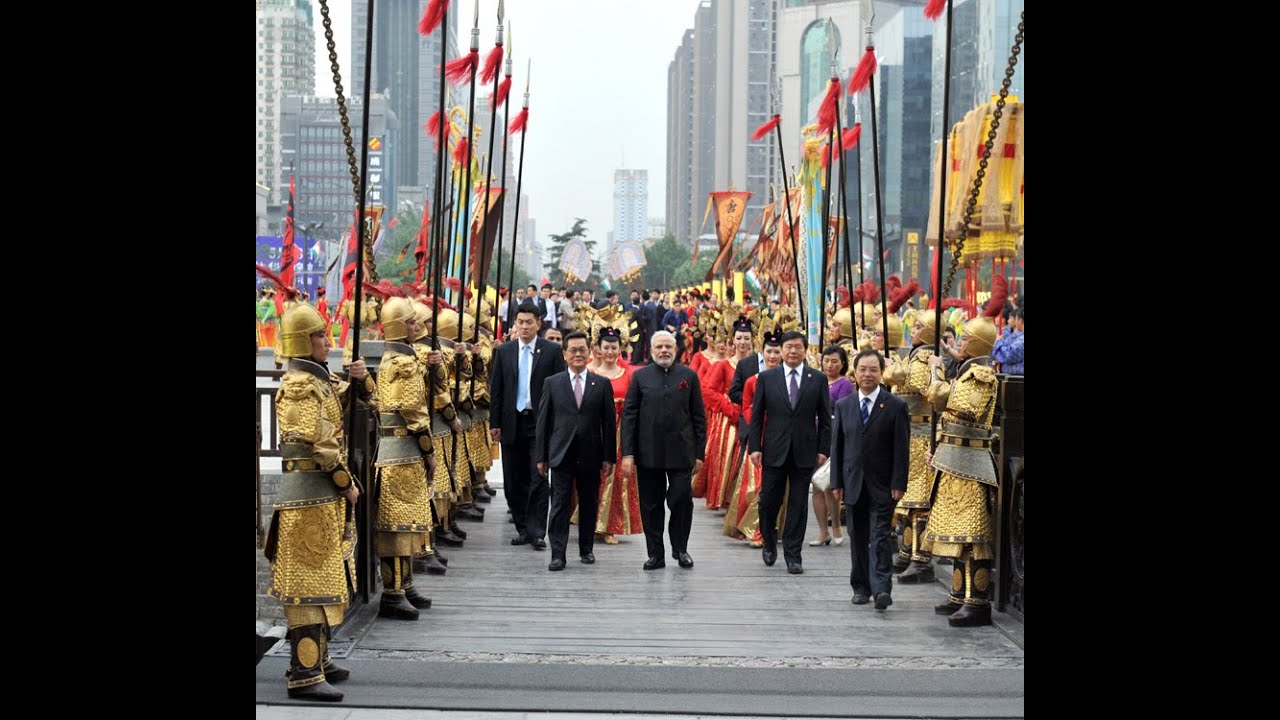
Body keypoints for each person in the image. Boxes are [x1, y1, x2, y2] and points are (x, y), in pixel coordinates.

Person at [266, 303, 374, 702]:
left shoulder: (319, 380)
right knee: (308, 583)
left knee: (327, 576)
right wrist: (343, 481)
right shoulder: (298, 385)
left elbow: (356, 399)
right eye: (319, 336)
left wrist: (361, 379)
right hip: (307, 498)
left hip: (320, 498)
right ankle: (305, 672)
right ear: (301, 340)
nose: (327, 342)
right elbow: (313, 441)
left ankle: (320, 659)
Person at [923, 314, 1001, 627]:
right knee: (957, 532)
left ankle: (977, 600)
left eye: (966, 338)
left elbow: (957, 405)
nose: (960, 342)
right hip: (954, 458)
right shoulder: (966, 371)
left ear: (979, 343)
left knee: (973, 535)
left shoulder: (981, 375)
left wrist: (937, 373)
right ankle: (958, 592)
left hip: (971, 465)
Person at [371, 295, 437, 620]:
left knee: (408, 524)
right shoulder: (402, 364)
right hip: (401, 455)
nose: (418, 327)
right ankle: (393, 592)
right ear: (399, 328)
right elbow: (415, 414)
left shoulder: (395, 360)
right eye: (412, 322)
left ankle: (405, 583)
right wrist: (429, 451)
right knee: (396, 527)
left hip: (399, 454)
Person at [830, 349, 910, 611]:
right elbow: (838, 447)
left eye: (873, 369)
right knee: (858, 535)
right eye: (863, 369)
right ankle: (861, 586)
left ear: (881, 372)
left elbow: (901, 448)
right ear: (854, 372)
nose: (867, 374)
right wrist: (836, 482)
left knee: (880, 536)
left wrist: (899, 482)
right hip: (853, 483)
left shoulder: (896, 406)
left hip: (883, 484)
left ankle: (881, 588)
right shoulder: (845, 406)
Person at [620, 331, 706, 570]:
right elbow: (629, 417)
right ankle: (656, 554)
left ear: (676, 350)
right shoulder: (640, 377)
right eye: (659, 347)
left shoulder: (688, 376)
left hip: (681, 452)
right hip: (648, 453)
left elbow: (699, 416)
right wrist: (628, 453)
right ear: (651, 350)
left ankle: (680, 548)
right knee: (651, 504)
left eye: (668, 346)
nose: (664, 351)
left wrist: (700, 453)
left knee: (681, 499)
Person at [747, 331, 832, 575]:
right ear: (781, 350)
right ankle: (769, 541)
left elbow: (825, 418)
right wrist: (755, 447)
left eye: (798, 347)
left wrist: (823, 450)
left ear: (805, 350)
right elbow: (756, 418)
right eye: (789, 347)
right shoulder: (767, 378)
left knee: (798, 504)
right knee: (768, 501)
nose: (793, 351)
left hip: (805, 450)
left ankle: (794, 554)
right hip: (773, 449)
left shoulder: (816, 379)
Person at [488, 302, 567, 550]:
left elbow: (560, 388)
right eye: (520, 322)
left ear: (538, 324)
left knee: (538, 477)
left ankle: (537, 531)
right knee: (513, 479)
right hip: (512, 422)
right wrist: (495, 422)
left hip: (540, 423)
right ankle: (522, 527)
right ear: (515, 324)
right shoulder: (505, 351)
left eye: (529, 322)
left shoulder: (551, 352)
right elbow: (497, 389)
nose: (524, 326)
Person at [535, 331, 617, 570]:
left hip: (591, 454)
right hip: (561, 452)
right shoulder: (553, 382)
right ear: (565, 354)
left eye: (582, 350)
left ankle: (586, 548)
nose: (578, 354)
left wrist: (609, 457)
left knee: (589, 502)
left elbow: (609, 424)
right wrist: (541, 456)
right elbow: (544, 422)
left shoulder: (600, 384)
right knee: (559, 503)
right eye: (573, 350)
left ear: (590, 352)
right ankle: (558, 554)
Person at [582, 326, 642, 544]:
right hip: (594, 431)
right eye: (606, 347)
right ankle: (589, 521)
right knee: (592, 477)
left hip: (619, 432)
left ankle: (608, 525)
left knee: (616, 480)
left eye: (613, 347)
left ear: (620, 349)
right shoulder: (590, 373)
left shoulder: (628, 375)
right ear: (598, 348)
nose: (609, 351)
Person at [811, 345, 853, 546]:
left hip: (833, 435)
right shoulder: (817, 380)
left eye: (834, 361)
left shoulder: (844, 384)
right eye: (826, 360)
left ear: (842, 364)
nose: (830, 365)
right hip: (813, 435)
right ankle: (822, 530)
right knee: (816, 484)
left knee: (829, 484)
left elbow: (842, 410)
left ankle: (835, 524)